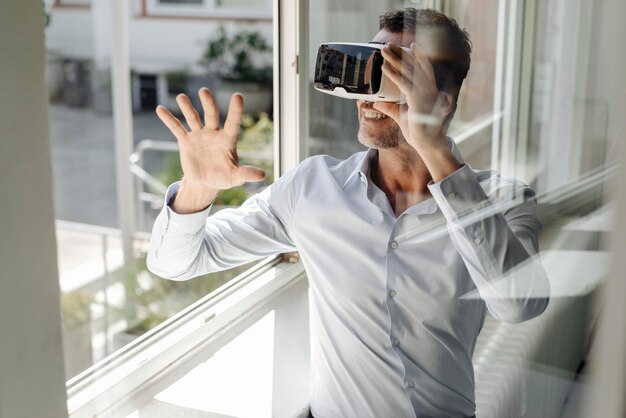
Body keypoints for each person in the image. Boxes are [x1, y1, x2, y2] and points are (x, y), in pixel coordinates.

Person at [147, 8, 550, 418]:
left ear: (443, 100)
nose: (367, 92)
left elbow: (520, 305)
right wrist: (198, 188)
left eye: (394, 72)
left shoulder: (502, 200)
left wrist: (433, 147)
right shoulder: (312, 188)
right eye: (367, 65)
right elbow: (176, 262)